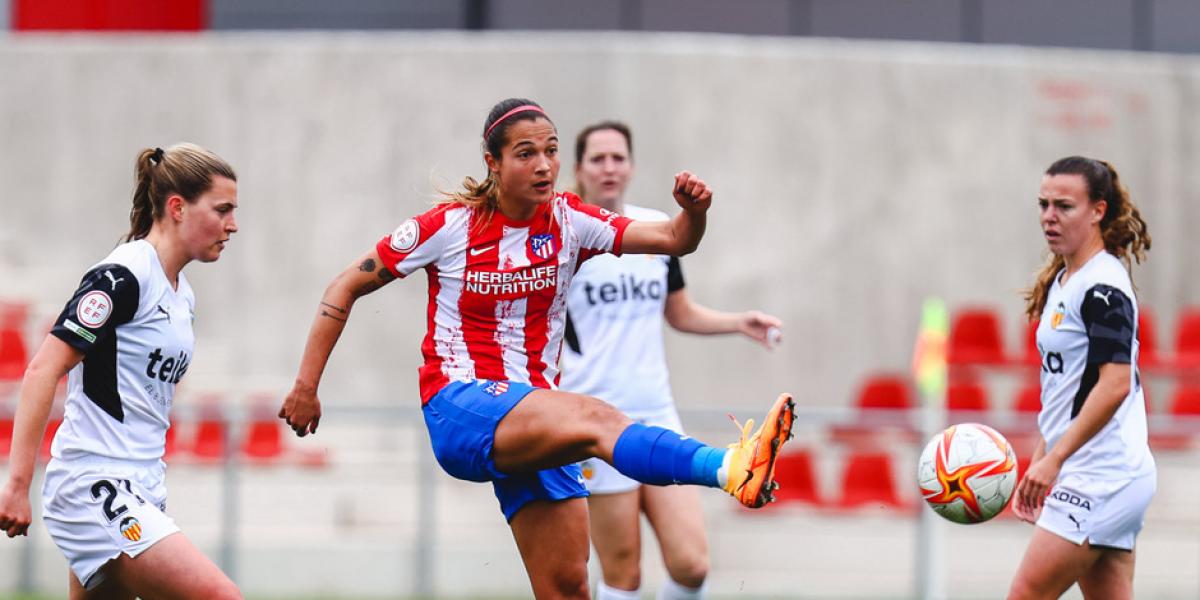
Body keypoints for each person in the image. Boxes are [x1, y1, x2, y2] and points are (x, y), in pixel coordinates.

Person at [277, 98, 795, 599]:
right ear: (493, 163)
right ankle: (728, 467)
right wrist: (306, 385)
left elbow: (676, 240)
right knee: (597, 418)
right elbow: (344, 285)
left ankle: (727, 469)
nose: (544, 165)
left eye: (550, 151)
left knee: (568, 589)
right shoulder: (448, 227)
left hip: (534, 414)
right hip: (460, 404)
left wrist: (694, 212)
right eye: (526, 154)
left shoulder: (572, 221)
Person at [0, 144, 243, 599]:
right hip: (95, 482)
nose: (233, 224)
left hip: (142, 481)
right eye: (222, 209)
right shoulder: (124, 276)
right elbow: (42, 371)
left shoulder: (181, 294)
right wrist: (16, 485)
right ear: (176, 207)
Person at [563, 120, 782, 600]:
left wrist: (738, 321)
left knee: (692, 565)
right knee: (624, 575)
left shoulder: (652, 228)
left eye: (618, 157)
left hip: (657, 413)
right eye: (597, 158)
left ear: (632, 165)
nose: (609, 167)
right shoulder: (567, 234)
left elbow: (678, 312)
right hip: (598, 424)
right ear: (578, 168)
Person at [1009, 156, 1155, 600]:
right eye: (1043, 204)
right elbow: (1067, 388)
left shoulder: (1102, 287)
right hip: (1100, 473)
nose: (1049, 217)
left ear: (1098, 210)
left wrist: (1054, 461)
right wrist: (1043, 456)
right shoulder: (1065, 279)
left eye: (1064, 206)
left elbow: (1114, 384)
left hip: (1102, 475)